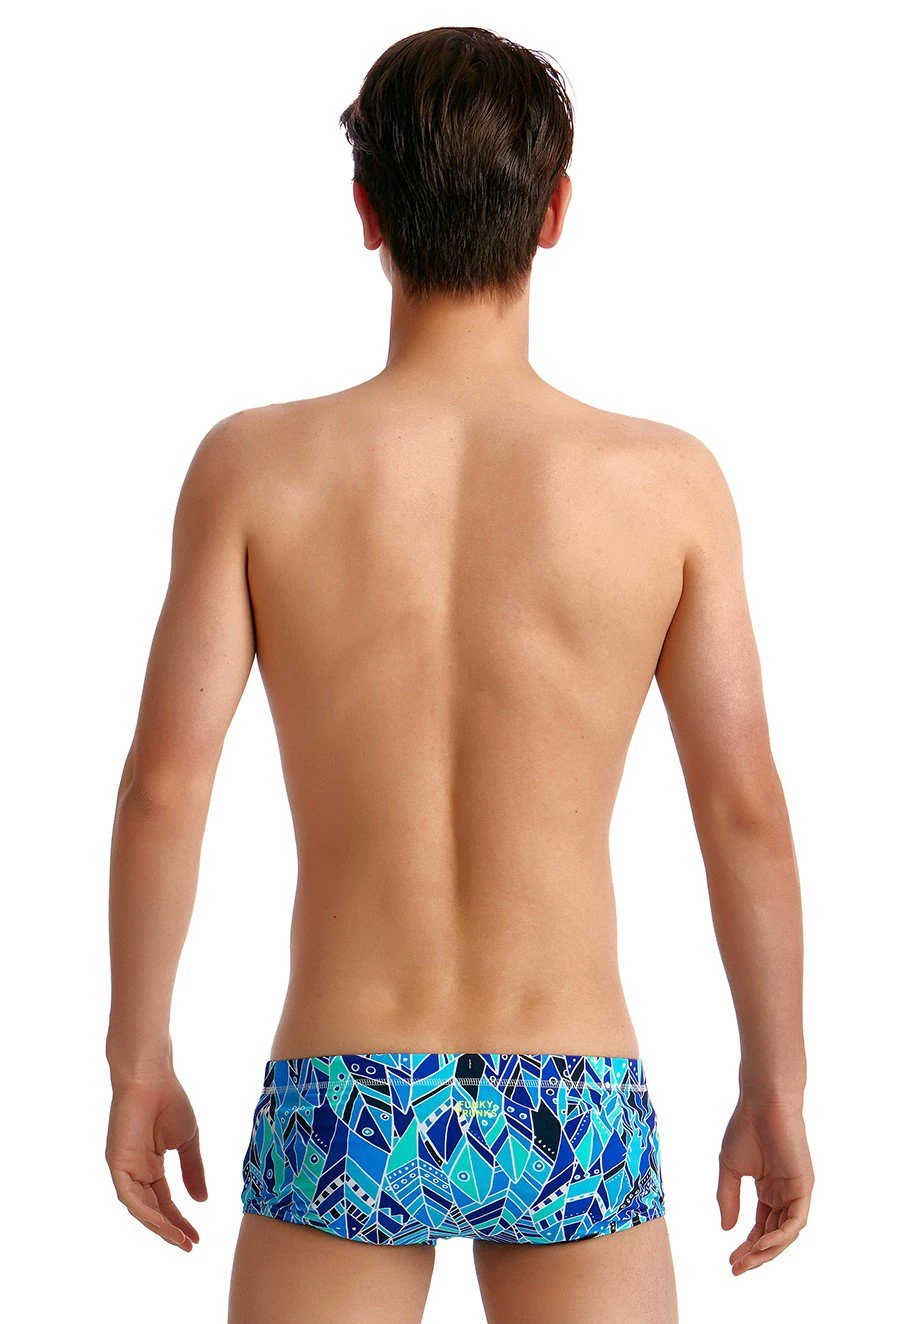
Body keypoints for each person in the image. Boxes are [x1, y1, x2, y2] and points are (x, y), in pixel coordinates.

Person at [105, 25, 813, 1323]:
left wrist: (136, 1058)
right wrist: (778, 1084)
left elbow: (165, 788)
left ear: (366, 211)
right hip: (570, 1091)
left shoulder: (255, 471)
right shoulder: (666, 487)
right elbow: (744, 808)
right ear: (555, 213)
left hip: (344, 1087)